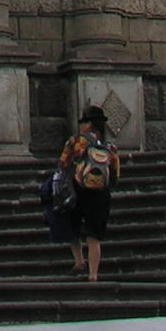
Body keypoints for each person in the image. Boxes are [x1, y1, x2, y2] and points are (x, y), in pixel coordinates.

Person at [60, 104, 124, 281]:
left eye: (83, 122)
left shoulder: (75, 141)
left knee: (71, 226)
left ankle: (79, 261)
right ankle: (93, 275)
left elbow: (63, 163)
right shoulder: (110, 147)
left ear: (88, 124)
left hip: (77, 190)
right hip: (100, 194)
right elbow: (115, 174)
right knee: (94, 235)